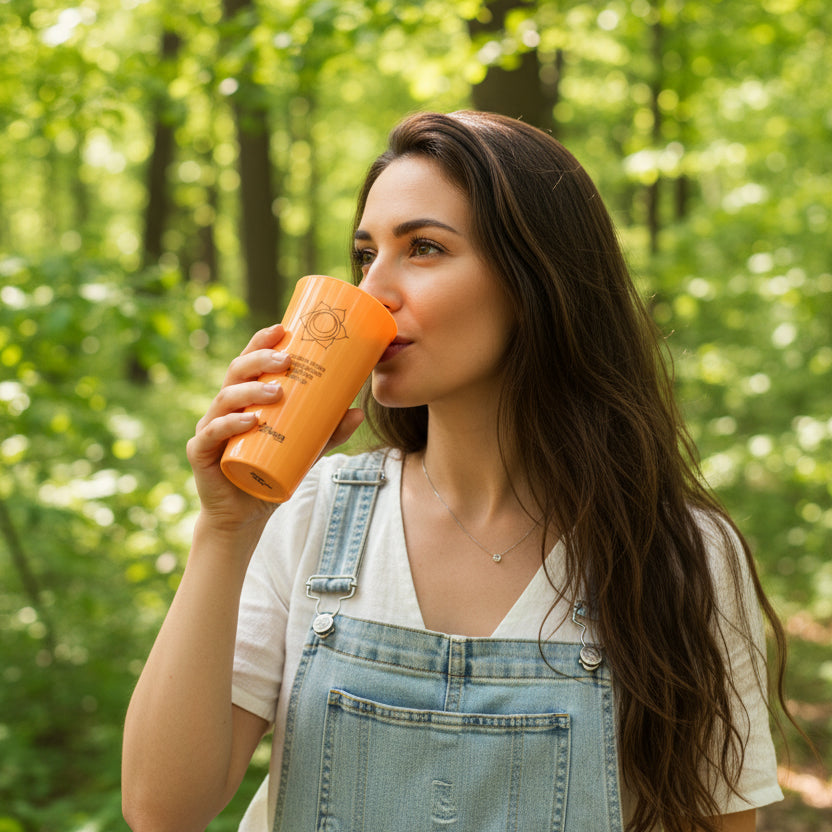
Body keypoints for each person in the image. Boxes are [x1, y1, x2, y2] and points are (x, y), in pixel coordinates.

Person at [122, 110, 788, 832]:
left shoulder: (675, 552)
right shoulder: (313, 514)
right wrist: (224, 530)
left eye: (425, 249)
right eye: (365, 254)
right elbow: (162, 811)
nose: (373, 289)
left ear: (537, 281)